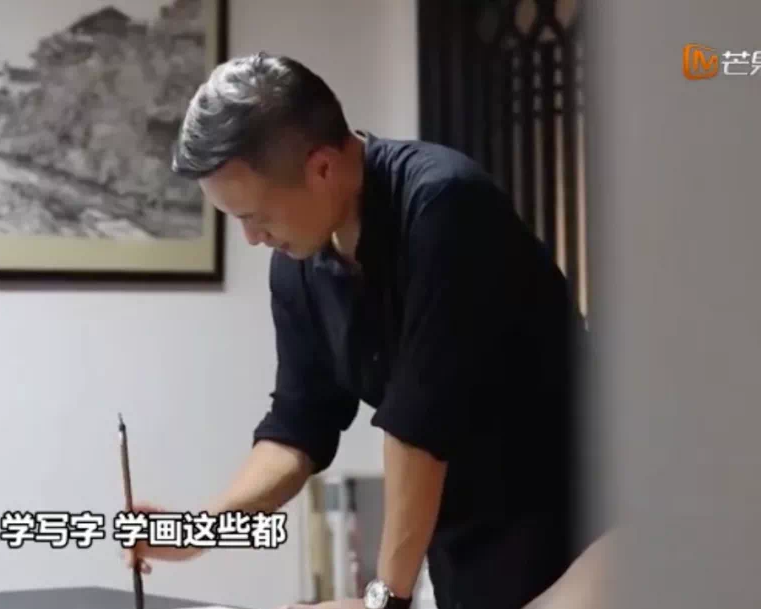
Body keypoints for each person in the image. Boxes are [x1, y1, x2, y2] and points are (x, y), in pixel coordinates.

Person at [126, 52, 596, 609]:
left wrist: (384, 600)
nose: (252, 238)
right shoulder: (300, 263)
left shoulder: (444, 204)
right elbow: (298, 429)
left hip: (591, 526)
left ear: (322, 168)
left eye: (256, 215)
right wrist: (200, 529)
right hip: (471, 553)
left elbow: (420, 427)